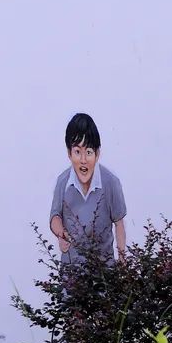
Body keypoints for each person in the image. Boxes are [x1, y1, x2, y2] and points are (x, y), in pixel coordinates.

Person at [49, 113, 127, 265]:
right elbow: (55, 217)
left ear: (97, 154)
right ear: (69, 153)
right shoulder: (62, 182)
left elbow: (119, 223)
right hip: (71, 272)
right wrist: (61, 233)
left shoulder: (111, 182)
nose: (83, 160)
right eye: (77, 152)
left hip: (103, 272)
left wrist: (123, 263)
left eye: (89, 152)